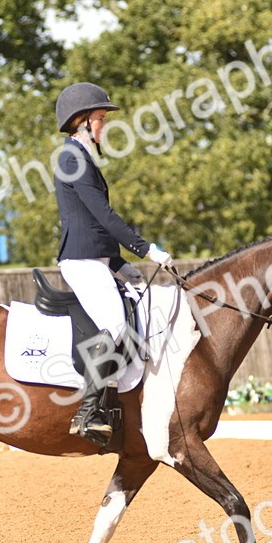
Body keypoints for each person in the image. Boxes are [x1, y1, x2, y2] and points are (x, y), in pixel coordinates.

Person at [53, 82, 173, 445]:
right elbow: (102, 215)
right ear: (81, 121)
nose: (105, 125)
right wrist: (146, 248)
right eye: (101, 118)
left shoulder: (82, 156)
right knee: (115, 322)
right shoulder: (71, 157)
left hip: (98, 260)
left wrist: (119, 264)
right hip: (81, 261)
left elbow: (93, 222)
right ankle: (88, 410)